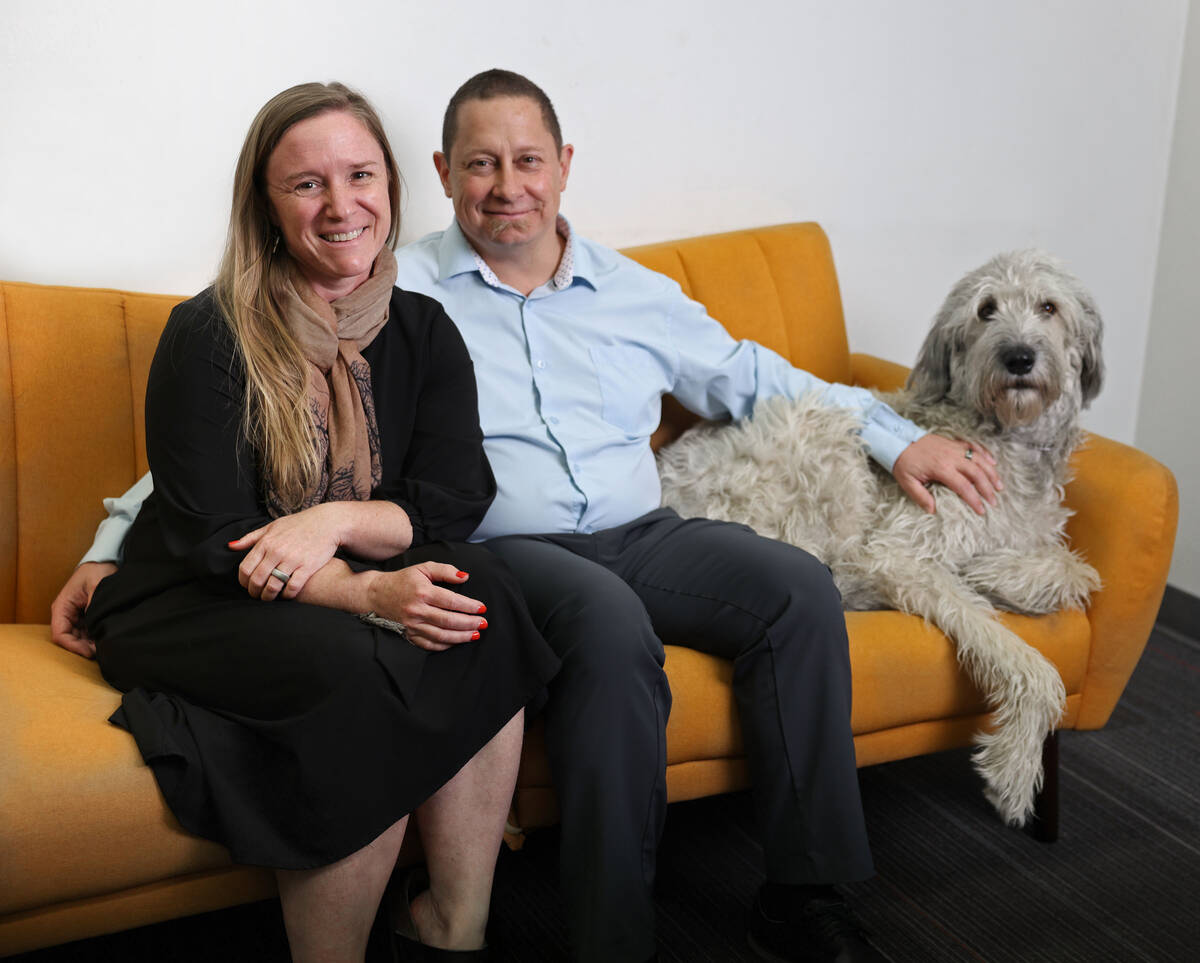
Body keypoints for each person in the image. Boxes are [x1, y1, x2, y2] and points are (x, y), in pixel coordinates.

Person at [55, 71, 1001, 963]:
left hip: (644, 530)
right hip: (509, 548)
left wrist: (893, 435)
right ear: (441, 176)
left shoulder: (629, 292)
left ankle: (807, 895)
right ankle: (609, 934)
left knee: (795, 588)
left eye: (528, 160)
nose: (507, 187)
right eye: (479, 163)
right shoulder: (399, 287)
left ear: (563, 166)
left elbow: (756, 379)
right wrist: (111, 546)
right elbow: (227, 442)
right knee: (602, 620)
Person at [72, 81, 559, 963]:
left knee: (486, 597)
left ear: (391, 186)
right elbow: (209, 532)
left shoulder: (423, 329)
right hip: (191, 596)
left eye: (361, 175)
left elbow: (455, 495)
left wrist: (335, 520)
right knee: (358, 668)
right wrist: (367, 590)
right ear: (264, 205)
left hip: (304, 570)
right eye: (306, 184)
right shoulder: (209, 332)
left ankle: (457, 923)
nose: (342, 206)